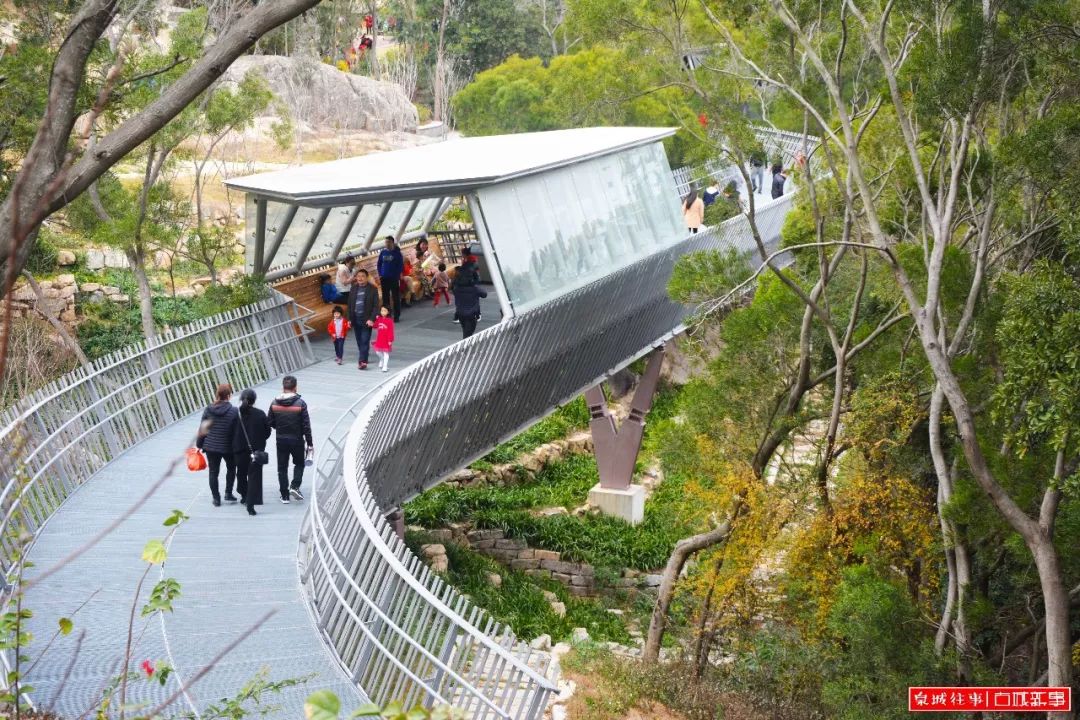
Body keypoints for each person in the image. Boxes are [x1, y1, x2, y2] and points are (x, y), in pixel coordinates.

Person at [268, 375, 313, 503]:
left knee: (282, 467)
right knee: (299, 463)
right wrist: (310, 443)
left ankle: (284, 495)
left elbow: (269, 421)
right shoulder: (301, 404)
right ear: (295, 387)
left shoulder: (274, 403)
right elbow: (306, 426)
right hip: (297, 439)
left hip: (281, 439)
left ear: (283, 387)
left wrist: (280, 427)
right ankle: (295, 486)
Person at [196, 383, 239, 507]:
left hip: (211, 446)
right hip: (228, 447)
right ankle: (228, 493)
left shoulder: (209, 409)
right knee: (231, 468)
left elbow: (203, 429)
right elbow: (236, 431)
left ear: (217, 394)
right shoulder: (234, 411)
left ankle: (216, 499)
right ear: (229, 395)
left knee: (213, 472)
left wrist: (199, 445)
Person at [233, 388, 271, 516]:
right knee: (254, 477)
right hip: (256, 451)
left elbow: (230, 432)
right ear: (254, 400)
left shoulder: (235, 414)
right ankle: (251, 504)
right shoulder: (260, 414)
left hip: (238, 450)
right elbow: (267, 432)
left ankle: (244, 495)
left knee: (241, 473)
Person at [347, 268, 379, 370]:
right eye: (358, 276)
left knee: (365, 340)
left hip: (366, 319)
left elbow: (376, 306)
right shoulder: (353, 288)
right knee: (359, 341)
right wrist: (349, 319)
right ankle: (364, 356)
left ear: (366, 277)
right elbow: (350, 305)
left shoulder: (373, 289)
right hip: (355, 318)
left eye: (362, 276)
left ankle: (362, 361)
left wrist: (372, 319)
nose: (360, 278)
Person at [377, 236, 404, 321]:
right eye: (386, 242)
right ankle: (387, 315)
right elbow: (379, 264)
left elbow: (400, 266)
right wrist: (380, 274)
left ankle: (397, 315)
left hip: (394, 278)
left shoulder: (397, 253)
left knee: (395, 297)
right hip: (384, 278)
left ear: (392, 243)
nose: (387, 244)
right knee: (386, 298)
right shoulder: (383, 252)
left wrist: (396, 275)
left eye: (388, 242)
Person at [372, 306, 395, 372]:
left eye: (385, 311)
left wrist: (390, 340)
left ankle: (385, 366)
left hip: (386, 339)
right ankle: (382, 359)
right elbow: (375, 326)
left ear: (388, 312)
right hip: (379, 338)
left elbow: (391, 331)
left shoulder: (389, 320)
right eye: (382, 310)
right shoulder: (379, 318)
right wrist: (374, 321)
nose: (383, 312)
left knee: (386, 353)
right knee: (377, 352)